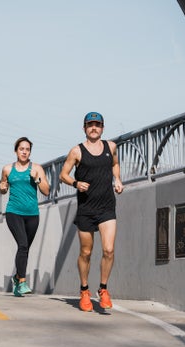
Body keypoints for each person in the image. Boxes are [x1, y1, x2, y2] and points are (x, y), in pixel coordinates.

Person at [59, 112, 124, 312]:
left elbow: (115, 164)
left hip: (106, 207)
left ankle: (103, 289)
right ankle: (84, 290)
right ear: (84, 128)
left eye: (97, 125)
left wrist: (118, 179)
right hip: (86, 208)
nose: (93, 128)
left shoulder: (111, 147)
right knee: (86, 252)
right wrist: (76, 183)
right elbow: (63, 175)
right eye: (90, 125)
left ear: (102, 127)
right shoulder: (77, 151)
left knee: (109, 250)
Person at [0, 137, 50, 297]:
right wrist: (2, 188)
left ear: (30, 152)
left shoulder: (36, 169)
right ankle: (22, 282)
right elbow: (3, 188)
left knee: (25, 248)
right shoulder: (7, 169)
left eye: (27, 149)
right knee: (22, 244)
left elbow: (46, 191)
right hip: (13, 212)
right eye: (21, 149)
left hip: (32, 214)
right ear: (16, 151)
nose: (24, 152)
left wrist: (37, 179)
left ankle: (16, 278)